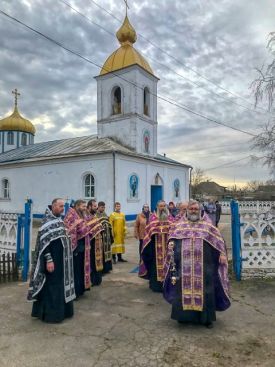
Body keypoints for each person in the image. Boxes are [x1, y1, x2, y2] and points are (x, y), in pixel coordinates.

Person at [163, 200, 230, 328]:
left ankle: (206, 319)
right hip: (184, 266)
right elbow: (172, 240)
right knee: (183, 290)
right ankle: (183, 317)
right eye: (191, 208)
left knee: (206, 291)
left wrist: (222, 253)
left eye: (195, 209)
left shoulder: (208, 226)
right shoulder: (179, 226)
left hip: (205, 266)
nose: (193, 210)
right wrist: (171, 246)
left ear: (200, 211)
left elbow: (219, 241)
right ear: (187, 210)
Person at [27, 198, 75, 323]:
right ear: (53, 206)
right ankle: (52, 314)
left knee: (60, 285)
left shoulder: (59, 220)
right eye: (60, 206)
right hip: (53, 260)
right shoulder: (46, 222)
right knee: (52, 286)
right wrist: (49, 260)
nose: (62, 208)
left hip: (62, 260)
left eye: (63, 206)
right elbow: (44, 244)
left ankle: (64, 312)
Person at [139, 200, 172, 292]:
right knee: (155, 267)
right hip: (155, 248)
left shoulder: (170, 218)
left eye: (164, 206)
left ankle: (167, 286)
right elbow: (148, 233)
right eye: (160, 206)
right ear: (157, 207)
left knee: (169, 266)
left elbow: (174, 231)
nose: (162, 208)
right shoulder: (152, 218)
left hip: (168, 249)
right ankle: (156, 286)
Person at [64, 200, 93, 297]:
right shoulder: (71, 215)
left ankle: (81, 289)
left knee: (81, 269)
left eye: (85, 206)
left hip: (83, 247)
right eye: (83, 206)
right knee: (76, 270)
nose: (85, 208)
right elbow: (69, 231)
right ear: (77, 206)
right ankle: (75, 291)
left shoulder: (81, 215)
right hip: (75, 248)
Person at [86, 199, 104, 286]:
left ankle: (98, 279)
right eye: (94, 206)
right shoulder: (86, 218)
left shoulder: (95, 216)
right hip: (91, 244)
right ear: (89, 207)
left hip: (98, 242)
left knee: (98, 260)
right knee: (92, 261)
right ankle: (93, 280)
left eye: (96, 206)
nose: (96, 208)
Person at [96, 201, 114, 274]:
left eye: (104, 207)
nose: (103, 208)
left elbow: (109, 224)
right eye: (102, 207)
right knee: (102, 253)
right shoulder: (96, 215)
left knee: (108, 251)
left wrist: (111, 235)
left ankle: (108, 268)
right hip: (101, 236)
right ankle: (103, 269)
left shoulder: (105, 214)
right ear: (98, 207)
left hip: (107, 236)